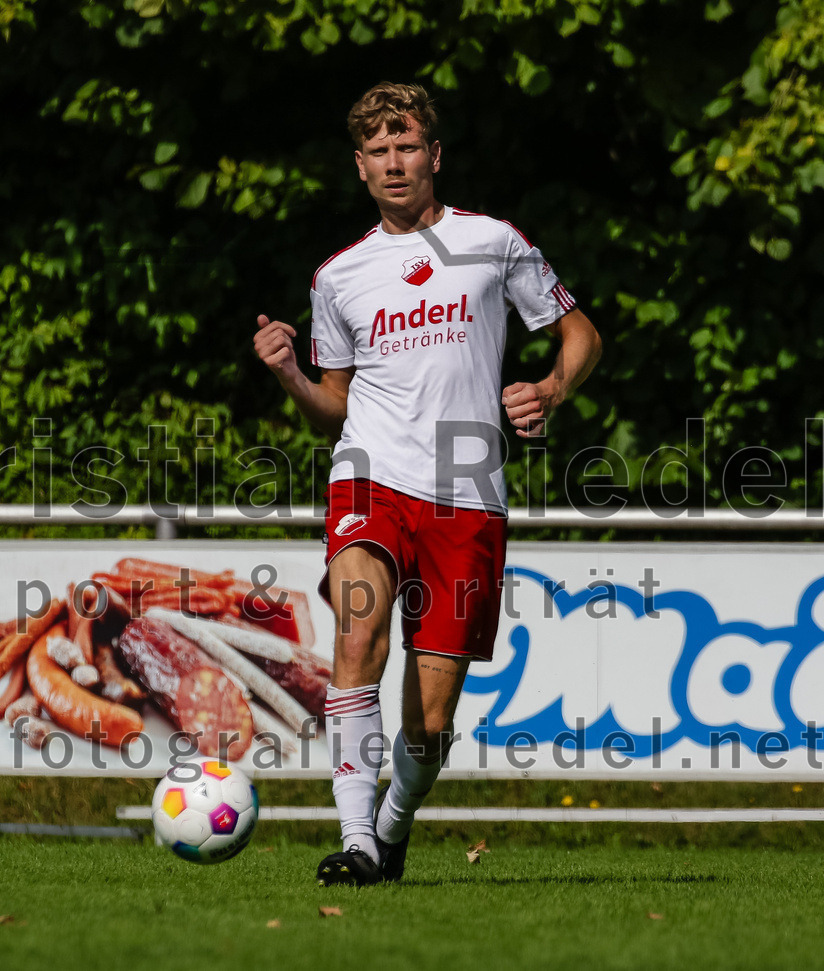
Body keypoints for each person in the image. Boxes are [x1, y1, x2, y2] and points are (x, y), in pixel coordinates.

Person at [253, 82, 601, 886]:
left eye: (406, 146)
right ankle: (354, 840)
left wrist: (551, 389)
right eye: (378, 151)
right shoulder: (338, 277)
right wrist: (290, 376)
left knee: (431, 719)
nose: (394, 163)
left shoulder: (492, 242)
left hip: (467, 495)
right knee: (356, 637)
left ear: (434, 156)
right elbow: (333, 408)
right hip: (370, 478)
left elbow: (580, 332)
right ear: (360, 167)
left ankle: (390, 828)